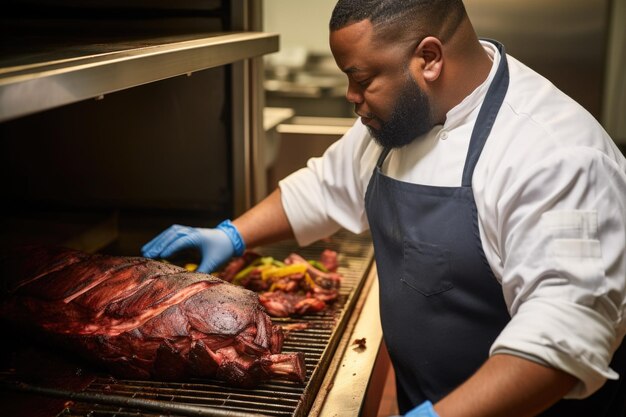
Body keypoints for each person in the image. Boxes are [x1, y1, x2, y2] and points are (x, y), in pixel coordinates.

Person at [142, 1, 626, 416]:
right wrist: (232, 234)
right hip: (428, 398)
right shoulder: (400, 118)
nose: (351, 97)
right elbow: (326, 187)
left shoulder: (558, 156)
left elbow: (562, 340)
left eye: (361, 78)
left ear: (429, 59)